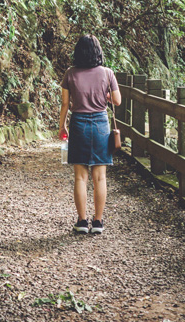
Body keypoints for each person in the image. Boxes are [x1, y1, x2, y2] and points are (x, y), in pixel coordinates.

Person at [58, 34, 122, 234]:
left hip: (79, 123)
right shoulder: (107, 73)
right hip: (101, 125)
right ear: (98, 52)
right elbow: (117, 101)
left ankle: (82, 222)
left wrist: (62, 126)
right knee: (100, 177)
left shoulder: (70, 73)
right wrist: (104, 94)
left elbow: (65, 104)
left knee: (80, 177)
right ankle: (98, 222)